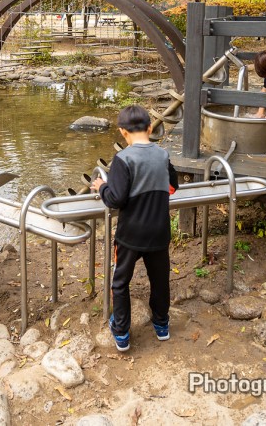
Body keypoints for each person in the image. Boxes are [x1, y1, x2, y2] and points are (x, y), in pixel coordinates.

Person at [91, 105, 178, 352]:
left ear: (122, 133)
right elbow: (173, 186)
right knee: (160, 279)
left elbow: (115, 199)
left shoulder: (123, 159)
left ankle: (121, 333)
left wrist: (101, 187)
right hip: (159, 232)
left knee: (120, 282)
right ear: (150, 128)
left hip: (130, 236)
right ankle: (161, 324)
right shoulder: (162, 155)